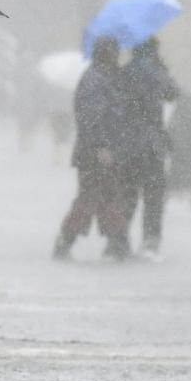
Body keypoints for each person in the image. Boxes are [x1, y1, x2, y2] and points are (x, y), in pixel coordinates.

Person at [52, 36, 131, 261]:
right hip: (95, 152)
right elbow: (92, 117)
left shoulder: (100, 77)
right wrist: (102, 146)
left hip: (95, 150)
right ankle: (112, 242)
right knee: (93, 198)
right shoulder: (96, 80)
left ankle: (116, 242)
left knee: (103, 197)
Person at [119, 36, 179, 259]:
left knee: (128, 194)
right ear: (153, 50)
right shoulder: (157, 72)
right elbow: (174, 93)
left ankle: (121, 240)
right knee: (153, 196)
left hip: (127, 144)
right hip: (152, 144)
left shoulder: (124, 73)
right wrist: (163, 69)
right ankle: (150, 243)